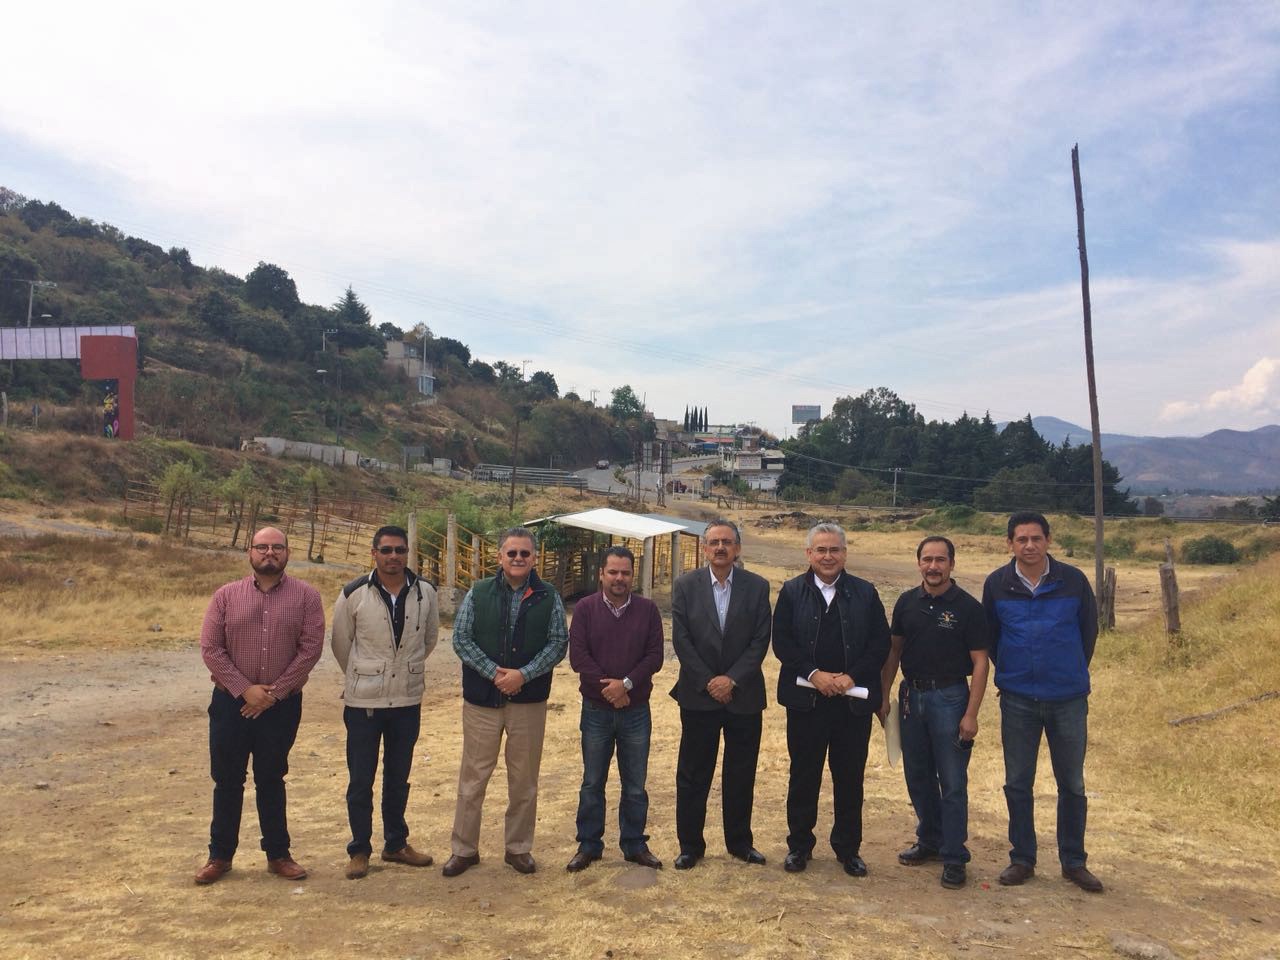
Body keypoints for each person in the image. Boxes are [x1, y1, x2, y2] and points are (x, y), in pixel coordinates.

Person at [195, 527, 324, 885]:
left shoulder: (307, 597)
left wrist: (272, 695)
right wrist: (245, 690)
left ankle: (278, 855)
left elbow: (310, 650)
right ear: (249, 552)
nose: (270, 553)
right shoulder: (225, 596)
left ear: (287, 553)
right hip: (230, 705)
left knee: (271, 778)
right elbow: (211, 649)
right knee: (227, 780)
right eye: (262, 547)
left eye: (277, 547)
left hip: (281, 708)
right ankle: (220, 856)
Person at [983, 511, 1103, 893]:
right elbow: (992, 637)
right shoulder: (997, 584)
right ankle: (1022, 858)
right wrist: (1015, 673)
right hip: (1018, 699)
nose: (1029, 545)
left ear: (1048, 540)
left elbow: (1088, 632)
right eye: (1021, 539)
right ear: (1009, 544)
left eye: (1036, 538)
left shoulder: (1073, 581)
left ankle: (1074, 862)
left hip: (1068, 699)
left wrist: (1066, 671)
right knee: (1018, 783)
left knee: (1072, 784)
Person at [443, 527, 568, 877]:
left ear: (534, 558)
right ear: (499, 557)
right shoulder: (479, 591)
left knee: (524, 780)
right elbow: (461, 639)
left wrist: (523, 675)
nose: (518, 558)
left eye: (525, 553)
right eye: (511, 553)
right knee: (473, 779)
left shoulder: (549, 596)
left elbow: (558, 643)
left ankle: (518, 848)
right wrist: (495, 673)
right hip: (482, 701)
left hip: (529, 702)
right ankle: (464, 849)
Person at [773, 522, 889, 878]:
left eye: (834, 549)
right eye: (820, 550)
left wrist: (850, 677)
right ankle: (799, 847)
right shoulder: (792, 591)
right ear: (809, 554)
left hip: (852, 703)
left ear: (845, 554)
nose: (828, 556)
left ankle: (848, 849)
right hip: (806, 702)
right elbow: (783, 642)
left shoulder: (866, 593)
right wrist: (814, 674)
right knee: (803, 775)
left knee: (850, 778)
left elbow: (879, 644)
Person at [331, 525, 440, 879]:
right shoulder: (354, 594)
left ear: (407, 553)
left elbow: (429, 639)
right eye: (387, 550)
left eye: (400, 550)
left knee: (398, 777)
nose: (394, 556)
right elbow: (341, 644)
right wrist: (367, 676)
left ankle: (395, 843)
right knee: (361, 779)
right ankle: (359, 849)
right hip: (364, 703)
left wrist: (401, 671)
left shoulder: (425, 592)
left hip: (406, 700)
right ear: (374, 553)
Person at [880, 536, 989, 889]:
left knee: (952, 781)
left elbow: (981, 662)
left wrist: (971, 714)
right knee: (918, 775)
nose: (933, 566)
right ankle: (929, 839)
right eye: (927, 559)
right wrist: (884, 695)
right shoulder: (906, 603)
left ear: (952, 564)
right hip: (911, 697)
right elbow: (894, 652)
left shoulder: (968, 608)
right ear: (918, 563)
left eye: (940, 560)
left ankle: (954, 855)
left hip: (950, 698)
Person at [669, 518, 772, 870]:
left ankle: (740, 843)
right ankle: (690, 845)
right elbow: (681, 639)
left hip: (744, 696)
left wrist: (732, 680)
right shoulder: (685, 586)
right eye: (714, 542)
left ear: (737, 548)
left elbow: (760, 640)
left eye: (727, 542)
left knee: (741, 773)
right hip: (698, 696)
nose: (720, 548)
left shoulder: (757, 587)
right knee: (693, 773)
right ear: (704, 548)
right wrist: (709, 681)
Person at [565, 546, 665, 872]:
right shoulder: (585, 609)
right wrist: (611, 691)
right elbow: (579, 657)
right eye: (613, 572)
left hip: (636, 711)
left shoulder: (648, 610)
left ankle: (634, 844)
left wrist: (627, 685)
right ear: (601, 574)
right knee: (592, 782)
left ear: (633, 575)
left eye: (625, 572)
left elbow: (655, 657)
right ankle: (588, 845)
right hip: (596, 711)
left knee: (635, 784)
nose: (619, 578)